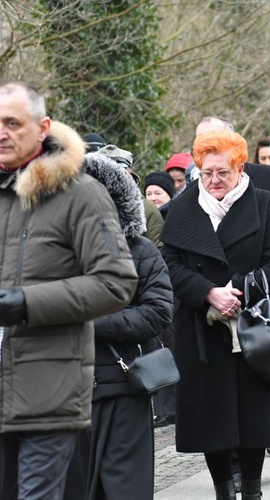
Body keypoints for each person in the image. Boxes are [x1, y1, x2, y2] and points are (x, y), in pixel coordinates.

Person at [0, 81, 138, 500]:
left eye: (12, 123)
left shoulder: (82, 195)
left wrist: (26, 304)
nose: (1, 132)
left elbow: (117, 282)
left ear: (42, 128)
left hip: (49, 395)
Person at [161, 129, 270, 499]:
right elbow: (169, 264)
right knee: (209, 417)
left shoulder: (265, 203)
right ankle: (223, 490)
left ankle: (251, 489)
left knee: (254, 416)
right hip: (200, 330)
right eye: (206, 173)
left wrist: (236, 293)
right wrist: (207, 293)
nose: (214, 181)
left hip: (251, 327)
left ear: (240, 168)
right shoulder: (183, 207)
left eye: (223, 173)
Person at [195, 116, 270, 482]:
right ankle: (232, 461)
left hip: (262, 296)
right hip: (215, 307)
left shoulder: (267, 180)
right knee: (225, 388)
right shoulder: (197, 188)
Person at [64, 152, 173, 500]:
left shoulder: (141, 251)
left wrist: (93, 323)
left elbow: (158, 311)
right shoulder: (48, 254)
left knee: (125, 489)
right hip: (61, 393)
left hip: (123, 388)